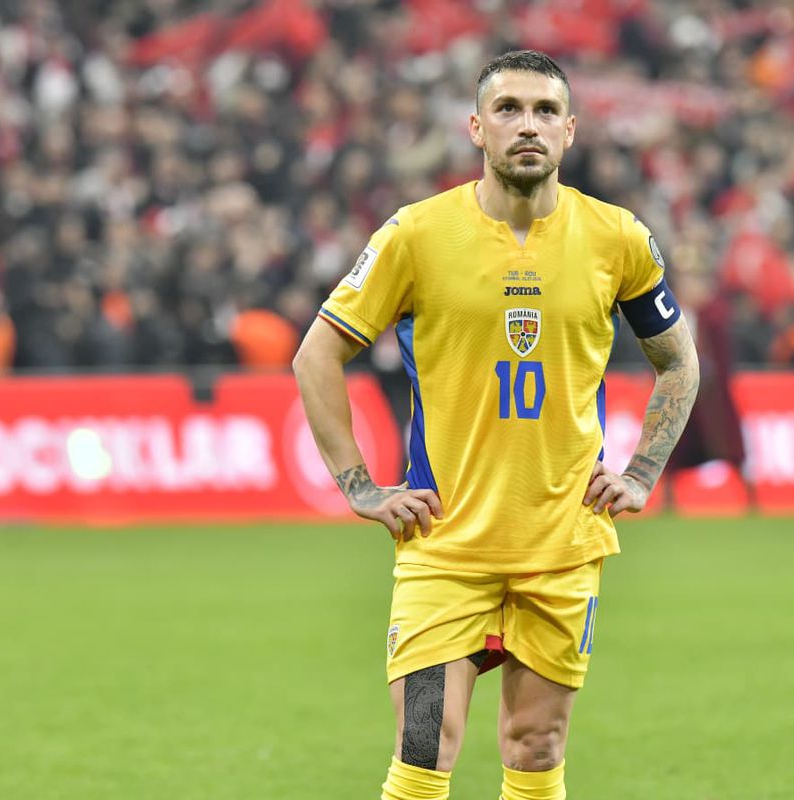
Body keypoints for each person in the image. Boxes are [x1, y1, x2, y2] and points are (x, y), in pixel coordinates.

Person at [293, 50, 699, 800]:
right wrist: (360, 487)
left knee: (536, 747)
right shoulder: (416, 235)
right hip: (444, 544)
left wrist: (643, 472)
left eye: (546, 111)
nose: (528, 126)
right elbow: (317, 354)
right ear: (477, 128)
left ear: (570, 131)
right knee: (423, 747)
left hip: (562, 546)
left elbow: (679, 361)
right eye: (508, 109)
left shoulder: (617, 238)